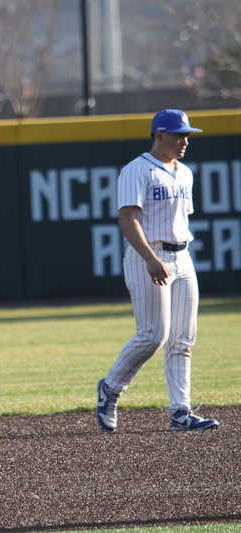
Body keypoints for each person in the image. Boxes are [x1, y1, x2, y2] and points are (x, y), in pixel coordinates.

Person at [95, 109, 219, 433]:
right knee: (153, 334)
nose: (185, 141)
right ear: (159, 136)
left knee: (182, 339)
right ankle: (110, 388)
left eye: (187, 134)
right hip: (147, 255)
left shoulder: (186, 173)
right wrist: (151, 258)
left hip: (182, 256)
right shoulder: (137, 170)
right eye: (179, 135)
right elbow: (127, 218)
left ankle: (181, 411)